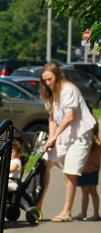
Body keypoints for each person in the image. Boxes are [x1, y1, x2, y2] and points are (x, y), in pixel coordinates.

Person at [38, 62, 96, 222]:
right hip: (63, 134)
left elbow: (69, 117)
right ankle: (38, 206)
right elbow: (52, 118)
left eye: (49, 79)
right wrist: (51, 138)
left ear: (57, 76)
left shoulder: (68, 90)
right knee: (45, 165)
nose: (47, 83)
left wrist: (55, 136)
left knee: (69, 173)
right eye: (44, 80)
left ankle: (66, 212)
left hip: (79, 134)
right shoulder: (50, 94)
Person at [74, 134, 100, 220]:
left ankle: (83, 213)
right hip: (94, 169)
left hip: (85, 169)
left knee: (85, 193)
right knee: (93, 192)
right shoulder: (97, 142)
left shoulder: (84, 141)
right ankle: (96, 213)